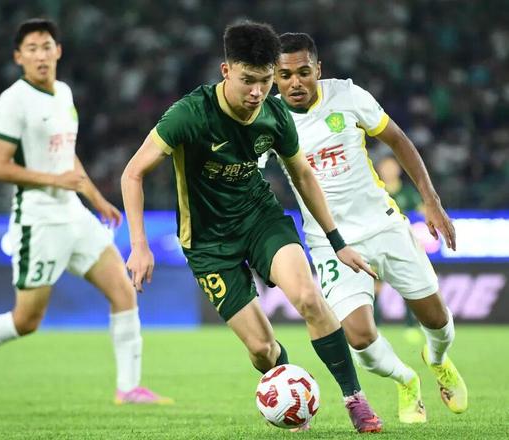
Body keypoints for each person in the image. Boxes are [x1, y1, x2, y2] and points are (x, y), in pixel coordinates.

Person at [121, 21, 382, 434]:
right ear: (226, 71)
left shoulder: (274, 115)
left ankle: (355, 399)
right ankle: (291, 392)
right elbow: (132, 173)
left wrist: (337, 241)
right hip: (207, 243)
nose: (258, 92)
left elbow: (303, 175)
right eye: (248, 80)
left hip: (260, 220)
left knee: (309, 298)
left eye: (265, 81)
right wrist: (139, 245)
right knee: (262, 350)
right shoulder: (190, 114)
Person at [0, 18, 171, 407]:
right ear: (18, 57)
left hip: (74, 215)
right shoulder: (13, 101)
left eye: (46, 46)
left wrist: (94, 197)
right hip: (38, 221)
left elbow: (66, 154)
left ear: (59, 51)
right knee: (26, 321)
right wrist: (56, 181)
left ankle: (129, 388)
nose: (40, 55)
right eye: (32, 49)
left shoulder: (64, 93)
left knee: (123, 291)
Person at [266, 32, 467, 424]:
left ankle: (437, 359)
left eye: (303, 72)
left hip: (383, 224)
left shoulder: (347, 95)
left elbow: (398, 140)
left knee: (437, 321)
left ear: (318, 69)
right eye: (285, 75)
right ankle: (406, 380)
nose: (295, 82)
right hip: (330, 242)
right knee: (358, 337)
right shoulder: (268, 118)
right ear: (274, 77)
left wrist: (430, 199)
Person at [374, 156, 423, 344]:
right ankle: (376, 328)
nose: (388, 170)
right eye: (385, 167)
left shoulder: (408, 192)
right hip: (378, 246)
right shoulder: (375, 190)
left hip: (403, 246)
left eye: (391, 166)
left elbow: (422, 213)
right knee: (375, 287)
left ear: (398, 169)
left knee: (407, 287)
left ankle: (410, 327)